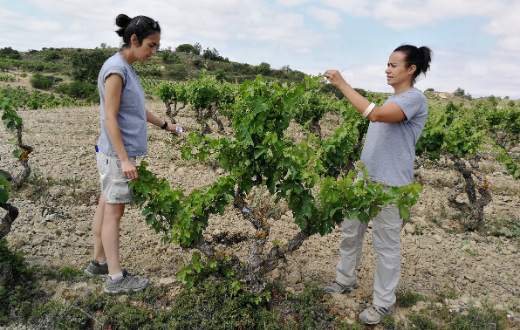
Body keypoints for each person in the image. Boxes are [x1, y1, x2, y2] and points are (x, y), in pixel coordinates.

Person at [323, 45, 432, 325]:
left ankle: (383, 303)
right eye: (387, 64)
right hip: (365, 182)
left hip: (390, 186)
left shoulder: (413, 99)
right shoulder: (390, 99)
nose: (387, 69)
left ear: (411, 69)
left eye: (394, 65)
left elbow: (376, 116)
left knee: (386, 246)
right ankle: (344, 281)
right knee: (350, 234)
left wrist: (341, 84)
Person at [83, 14, 183, 294]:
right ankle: (115, 279)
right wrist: (124, 159)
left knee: (106, 204)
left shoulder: (125, 67)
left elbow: (135, 110)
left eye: (157, 47)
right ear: (134, 40)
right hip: (116, 155)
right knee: (114, 212)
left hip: (113, 153)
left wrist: (166, 124)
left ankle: (99, 262)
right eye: (151, 45)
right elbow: (110, 119)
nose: (154, 52)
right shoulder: (117, 70)